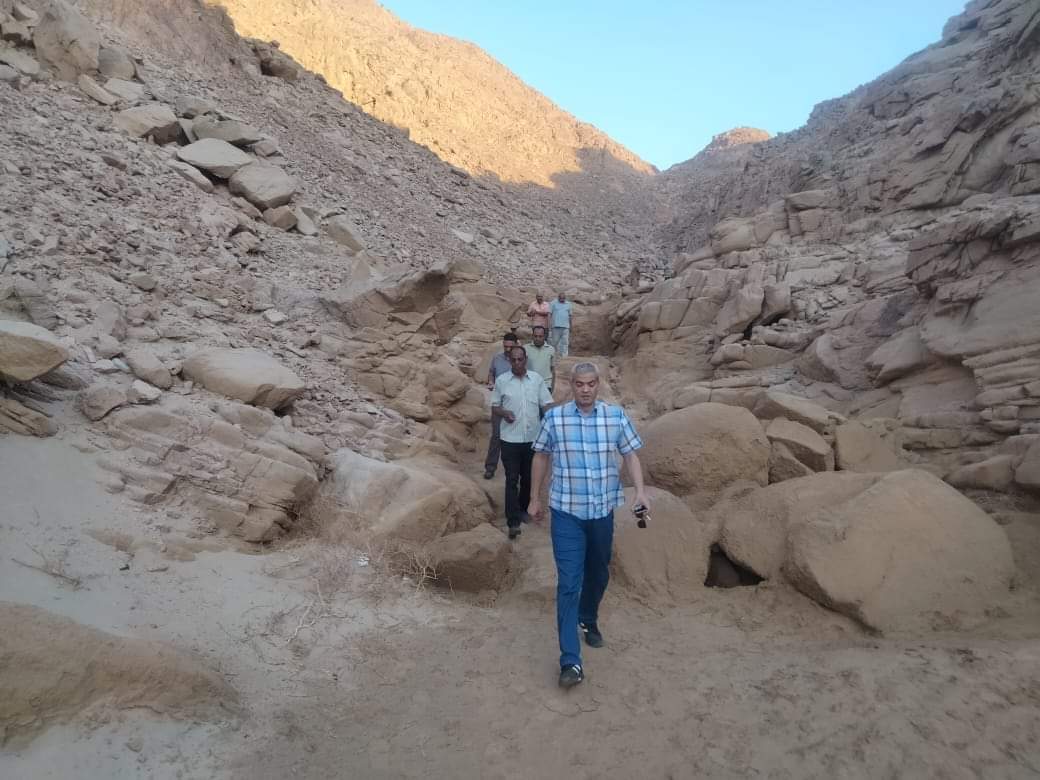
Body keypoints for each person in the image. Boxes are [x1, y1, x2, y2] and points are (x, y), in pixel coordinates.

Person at [528, 362, 649, 689]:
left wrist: (640, 492)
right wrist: (535, 498)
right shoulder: (555, 418)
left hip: (601, 512)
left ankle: (588, 618)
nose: (585, 389)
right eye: (579, 384)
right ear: (571, 385)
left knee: (598, 574)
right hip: (566, 513)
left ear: (598, 385)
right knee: (569, 582)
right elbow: (540, 456)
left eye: (591, 383)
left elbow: (630, 455)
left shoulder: (615, 416)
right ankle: (571, 660)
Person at [492, 346, 553, 539]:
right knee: (511, 479)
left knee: (528, 478)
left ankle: (524, 509)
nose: (517, 363)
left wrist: (554, 421)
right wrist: (504, 413)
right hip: (509, 439)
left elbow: (546, 404)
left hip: (533, 439)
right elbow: (495, 407)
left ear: (525, 359)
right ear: (509, 360)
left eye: (520, 359)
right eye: (514, 360)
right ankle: (513, 521)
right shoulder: (502, 381)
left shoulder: (537, 380)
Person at [483, 332, 519, 479]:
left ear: (516, 345)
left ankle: (515, 470)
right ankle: (490, 467)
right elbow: (491, 372)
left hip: (516, 403)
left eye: (511, 347)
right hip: (498, 403)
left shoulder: (520, 360)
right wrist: (491, 381)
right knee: (496, 436)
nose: (508, 350)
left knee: (516, 436)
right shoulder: (497, 358)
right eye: (506, 347)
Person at [524, 325, 556, 396]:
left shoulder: (551, 349)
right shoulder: (525, 349)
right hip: (529, 384)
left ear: (544, 336)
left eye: (540, 336)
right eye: (535, 336)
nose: (537, 338)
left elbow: (553, 370)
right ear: (532, 336)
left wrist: (552, 386)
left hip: (546, 385)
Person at [549, 292, 572, 357]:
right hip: (556, 326)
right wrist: (549, 324)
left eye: (563, 298)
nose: (562, 299)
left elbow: (570, 316)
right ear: (558, 297)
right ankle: (555, 356)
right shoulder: (553, 303)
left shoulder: (569, 304)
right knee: (555, 342)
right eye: (561, 298)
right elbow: (549, 314)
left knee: (565, 342)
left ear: (565, 298)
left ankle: (564, 356)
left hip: (566, 326)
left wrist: (571, 326)